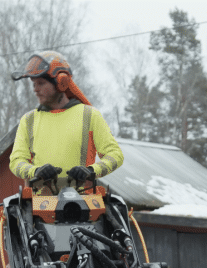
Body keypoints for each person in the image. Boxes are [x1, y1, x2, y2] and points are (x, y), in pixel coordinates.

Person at [9, 51, 123, 193]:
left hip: (83, 203)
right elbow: (16, 161)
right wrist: (35, 171)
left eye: (41, 83)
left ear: (61, 82)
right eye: (34, 84)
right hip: (40, 205)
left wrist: (91, 171)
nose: (35, 89)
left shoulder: (89, 115)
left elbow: (115, 155)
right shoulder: (28, 120)